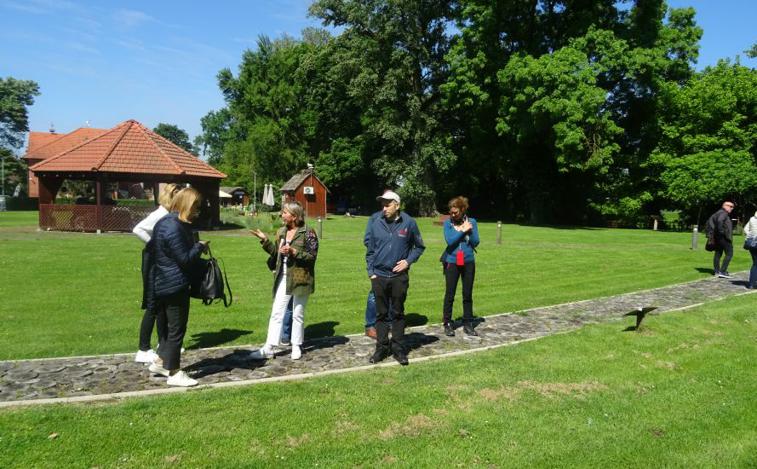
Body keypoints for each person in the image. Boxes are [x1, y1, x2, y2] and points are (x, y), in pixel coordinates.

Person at [148, 187, 208, 387]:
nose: (197, 211)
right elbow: (185, 259)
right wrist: (199, 246)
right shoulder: (175, 227)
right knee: (176, 329)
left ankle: (160, 362)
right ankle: (174, 372)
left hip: (161, 282)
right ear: (187, 205)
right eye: (195, 207)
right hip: (175, 284)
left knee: (167, 328)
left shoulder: (163, 222)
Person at [249, 201, 319, 360]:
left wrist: (294, 251)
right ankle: (269, 347)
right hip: (283, 276)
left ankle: (296, 345)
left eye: (285, 212)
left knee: (297, 314)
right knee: (276, 312)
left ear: (294, 216)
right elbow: (276, 254)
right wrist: (265, 241)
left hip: (301, 278)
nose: (282, 214)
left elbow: (312, 257)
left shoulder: (308, 232)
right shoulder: (281, 232)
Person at [364, 190, 425, 365]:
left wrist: (408, 261)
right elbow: (370, 251)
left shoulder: (409, 223)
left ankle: (398, 349)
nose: (384, 208)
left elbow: (419, 247)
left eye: (387, 204)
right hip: (379, 276)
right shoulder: (376, 222)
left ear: (397, 205)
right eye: (382, 205)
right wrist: (371, 272)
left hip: (399, 276)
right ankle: (381, 348)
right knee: (381, 315)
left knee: (398, 313)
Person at [132, 183, 180, 364]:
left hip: (160, 261)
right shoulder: (159, 215)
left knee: (161, 304)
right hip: (153, 261)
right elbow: (137, 229)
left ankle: (163, 343)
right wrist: (153, 243)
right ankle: (143, 348)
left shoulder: (168, 215)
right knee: (153, 304)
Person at [441, 196, 480, 336]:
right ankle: (447, 322)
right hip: (452, 261)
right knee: (450, 293)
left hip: (468, 261)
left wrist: (470, 230)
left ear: (463, 210)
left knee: (467, 293)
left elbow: (476, 242)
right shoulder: (448, 223)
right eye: (451, 212)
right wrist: (462, 231)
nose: (452, 215)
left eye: (455, 212)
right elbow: (450, 241)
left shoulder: (472, 222)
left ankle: (468, 323)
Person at [706, 201, 735, 278]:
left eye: (732, 207)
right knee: (729, 253)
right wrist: (722, 232)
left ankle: (717, 271)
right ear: (725, 206)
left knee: (718, 253)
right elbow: (720, 221)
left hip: (717, 237)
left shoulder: (717, 213)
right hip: (723, 237)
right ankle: (722, 271)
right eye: (730, 206)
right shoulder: (723, 213)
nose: (732, 208)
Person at [743, 210, 757, 288]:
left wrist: (751, 236)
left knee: (755, 263)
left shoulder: (752, 218)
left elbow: (745, 229)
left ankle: (752, 283)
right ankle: (753, 283)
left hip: (751, 243)